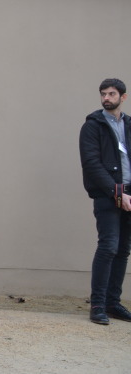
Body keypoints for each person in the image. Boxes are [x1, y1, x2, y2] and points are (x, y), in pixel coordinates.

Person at [79, 78, 131, 325]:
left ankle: (113, 303)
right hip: (107, 194)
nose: (106, 98)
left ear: (123, 97)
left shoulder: (129, 125)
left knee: (122, 250)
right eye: (103, 94)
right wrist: (116, 192)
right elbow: (91, 164)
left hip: (129, 193)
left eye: (111, 93)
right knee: (108, 246)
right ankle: (98, 304)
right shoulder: (93, 126)